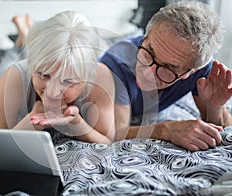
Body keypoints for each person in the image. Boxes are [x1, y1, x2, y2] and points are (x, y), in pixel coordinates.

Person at [99, 1, 232, 151]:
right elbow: (114, 132)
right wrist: (166, 130)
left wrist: (215, 108)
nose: (148, 74)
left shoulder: (201, 68)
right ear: (145, 36)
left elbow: (222, 127)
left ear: (191, 72)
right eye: (149, 52)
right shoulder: (114, 64)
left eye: (169, 67)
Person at [0, 11, 116, 144]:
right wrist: (32, 122)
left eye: (68, 81)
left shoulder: (101, 76)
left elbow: (108, 141)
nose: (52, 92)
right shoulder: (15, 75)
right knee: (1, 71)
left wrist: (76, 122)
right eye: (44, 75)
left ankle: (25, 36)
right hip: (14, 74)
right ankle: (21, 41)